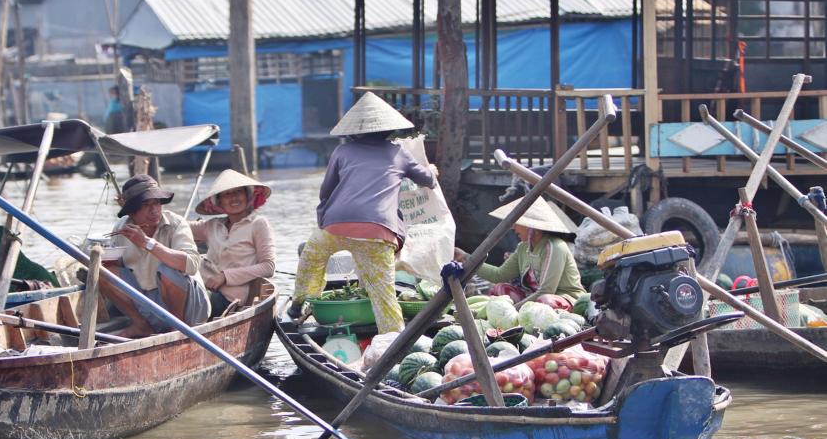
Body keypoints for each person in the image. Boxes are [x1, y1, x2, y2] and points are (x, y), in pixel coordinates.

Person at [289, 92, 437, 334]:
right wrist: (432, 170)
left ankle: (299, 302)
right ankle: (392, 343)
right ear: (389, 130)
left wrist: (324, 219)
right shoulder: (399, 153)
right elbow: (428, 180)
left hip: (335, 226)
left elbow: (325, 191)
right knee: (383, 294)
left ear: (355, 130)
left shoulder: (342, 152)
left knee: (311, 260)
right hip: (378, 233)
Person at [101, 175, 210, 337]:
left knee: (168, 270)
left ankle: (177, 328)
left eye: (157, 203)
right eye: (146, 205)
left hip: (189, 308)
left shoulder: (176, 224)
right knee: (101, 273)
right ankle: (141, 325)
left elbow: (192, 264)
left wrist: (147, 242)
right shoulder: (122, 227)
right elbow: (116, 268)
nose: (154, 210)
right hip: (147, 304)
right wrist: (103, 258)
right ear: (131, 211)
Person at [454, 197, 586, 310]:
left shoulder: (555, 247)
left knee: (545, 300)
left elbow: (546, 290)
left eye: (517, 223)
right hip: (533, 302)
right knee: (500, 289)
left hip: (564, 300)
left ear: (532, 227)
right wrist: (465, 258)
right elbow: (498, 275)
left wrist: (513, 310)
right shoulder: (523, 248)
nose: (513, 227)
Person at [190, 169, 275, 318]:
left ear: (247, 196)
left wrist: (225, 276)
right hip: (202, 288)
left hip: (229, 300)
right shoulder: (212, 226)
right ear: (219, 201)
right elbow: (179, 227)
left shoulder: (258, 224)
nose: (234, 198)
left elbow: (268, 267)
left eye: (238, 192)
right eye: (227, 194)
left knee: (189, 302)